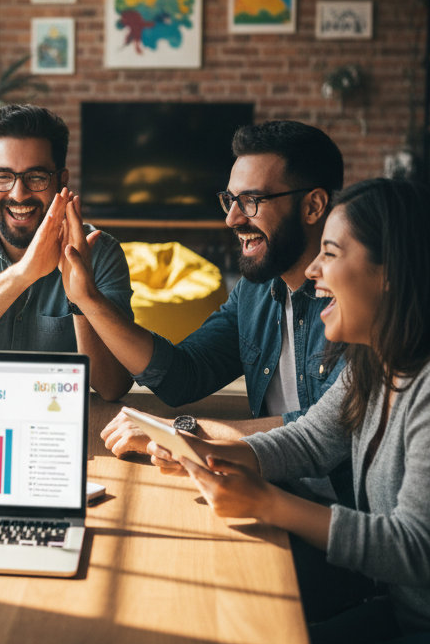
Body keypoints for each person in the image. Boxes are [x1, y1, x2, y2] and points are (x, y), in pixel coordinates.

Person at [143, 178, 430, 644]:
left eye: (330, 253)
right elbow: (310, 439)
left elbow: (417, 548)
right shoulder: (376, 359)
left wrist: (268, 502)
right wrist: (215, 451)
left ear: (391, 274)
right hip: (404, 610)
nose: (311, 272)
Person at [95, 122, 349, 493]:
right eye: (230, 200)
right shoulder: (255, 292)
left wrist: (181, 433)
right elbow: (182, 375)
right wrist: (88, 298)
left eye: (251, 201)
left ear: (313, 206)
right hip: (267, 489)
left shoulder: (355, 304)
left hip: (334, 515)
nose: (232, 219)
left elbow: (321, 431)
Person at [0, 104, 134, 400]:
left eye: (36, 177)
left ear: (61, 180)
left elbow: (113, 387)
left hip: (57, 418)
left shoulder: (99, 252)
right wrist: (25, 272)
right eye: (2, 176)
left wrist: (82, 299)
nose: (18, 194)